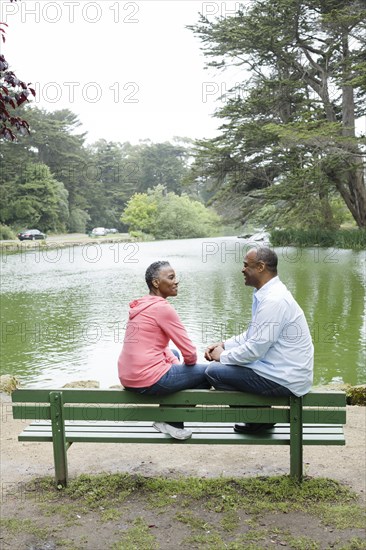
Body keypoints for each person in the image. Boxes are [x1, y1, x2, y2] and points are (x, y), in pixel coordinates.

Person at [204, 246, 314, 433]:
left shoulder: (274, 300)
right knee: (224, 368)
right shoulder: (268, 294)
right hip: (282, 371)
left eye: (246, 265)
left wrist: (223, 356)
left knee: (214, 372)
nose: (242, 269)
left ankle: (258, 419)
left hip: (285, 378)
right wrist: (224, 345)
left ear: (261, 267)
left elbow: (255, 350)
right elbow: (252, 335)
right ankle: (261, 416)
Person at [118, 260, 210, 440]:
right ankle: (173, 422)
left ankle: (165, 420)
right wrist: (187, 370)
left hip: (127, 376)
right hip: (146, 379)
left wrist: (176, 367)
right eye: (171, 277)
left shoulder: (142, 305)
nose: (176, 281)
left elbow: (161, 347)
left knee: (173, 354)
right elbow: (190, 353)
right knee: (207, 373)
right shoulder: (163, 308)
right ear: (156, 283)